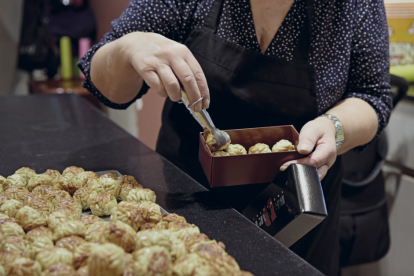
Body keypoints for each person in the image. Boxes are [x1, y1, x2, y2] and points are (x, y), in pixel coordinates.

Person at [78, 0, 392, 274]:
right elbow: (106, 85)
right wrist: (130, 47)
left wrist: (335, 128)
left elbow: (372, 96)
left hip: (298, 220)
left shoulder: (353, 4)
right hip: (186, 212)